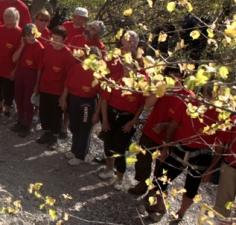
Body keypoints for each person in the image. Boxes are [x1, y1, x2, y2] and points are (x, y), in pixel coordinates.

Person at [142, 83, 220, 225]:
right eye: (207, 94)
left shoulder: (220, 114)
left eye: (213, 96)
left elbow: (221, 145)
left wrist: (211, 169)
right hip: (181, 148)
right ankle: (161, 207)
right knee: (161, 177)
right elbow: (173, 125)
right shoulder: (188, 104)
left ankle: (180, 214)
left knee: (191, 188)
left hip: (202, 154)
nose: (208, 98)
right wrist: (166, 148)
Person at [128, 66, 193, 195]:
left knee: (162, 166)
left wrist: (164, 125)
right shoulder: (161, 87)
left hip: (171, 139)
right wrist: (159, 90)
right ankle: (142, 183)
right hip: (150, 131)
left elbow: (185, 122)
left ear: (182, 76)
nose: (173, 77)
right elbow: (148, 103)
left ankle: (155, 191)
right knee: (142, 159)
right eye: (170, 74)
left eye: (176, 74)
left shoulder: (188, 96)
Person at [97, 31, 146, 190]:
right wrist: (103, 118)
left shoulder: (139, 79)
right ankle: (109, 168)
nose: (126, 67)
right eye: (128, 40)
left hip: (127, 118)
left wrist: (133, 122)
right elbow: (104, 97)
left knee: (120, 148)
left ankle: (120, 177)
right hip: (111, 113)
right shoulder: (115, 76)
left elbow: (141, 104)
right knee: (108, 142)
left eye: (134, 41)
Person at [60, 47, 102, 165]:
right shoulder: (76, 68)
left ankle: (80, 155)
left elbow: (102, 96)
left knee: (84, 129)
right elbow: (67, 84)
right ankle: (74, 150)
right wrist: (63, 99)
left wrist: (97, 113)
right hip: (73, 99)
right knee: (74, 126)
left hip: (88, 103)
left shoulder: (98, 74)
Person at [36, 26, 76, 150]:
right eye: (53, 37)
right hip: (45, 86)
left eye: (58, 38)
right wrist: (37, 85)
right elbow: (40, 68)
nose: (54, 40)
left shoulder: (68, 54)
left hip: (58, 90)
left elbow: (69, 77)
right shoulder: (47, 48)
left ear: (64, 39)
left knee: (56, 114)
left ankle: (55, 136)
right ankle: (46, 132)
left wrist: (64, 96)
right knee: (44, 111)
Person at [0, 7, 21, 123]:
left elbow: (20, 56)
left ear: (16, 18)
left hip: (9, 69)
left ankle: (7, 113)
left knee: (8, 92)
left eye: (9, 16)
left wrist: (15, 70)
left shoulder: (19, 33)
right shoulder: (0, 30)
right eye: (5, 16)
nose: (6, 18)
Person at [11, 23, 44, 137]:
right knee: (19, 98)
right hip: (21, 72)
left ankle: (27, 125)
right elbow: (15, 59)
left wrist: (37, 84)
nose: (30, 37)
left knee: (28, 101)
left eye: (32, 35)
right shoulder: (24, 45)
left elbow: (40, 68)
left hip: (32, 74)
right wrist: (22, 46)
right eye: (27, 35)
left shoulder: (39, 47)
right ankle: (20, 120)